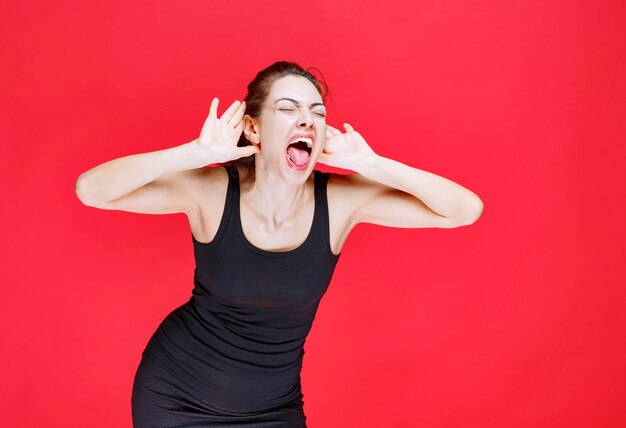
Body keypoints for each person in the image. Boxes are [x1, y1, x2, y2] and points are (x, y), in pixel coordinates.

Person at [75, 60, 483, 427]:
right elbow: (92, 190)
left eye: (317, 112)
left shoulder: (340, 201)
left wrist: (369, 163)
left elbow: (465, 209)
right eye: (288, 108)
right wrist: (195, 153)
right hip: (177, 396)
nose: (306, 119)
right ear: (253, 128)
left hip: (273, 409)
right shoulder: (213, 192)